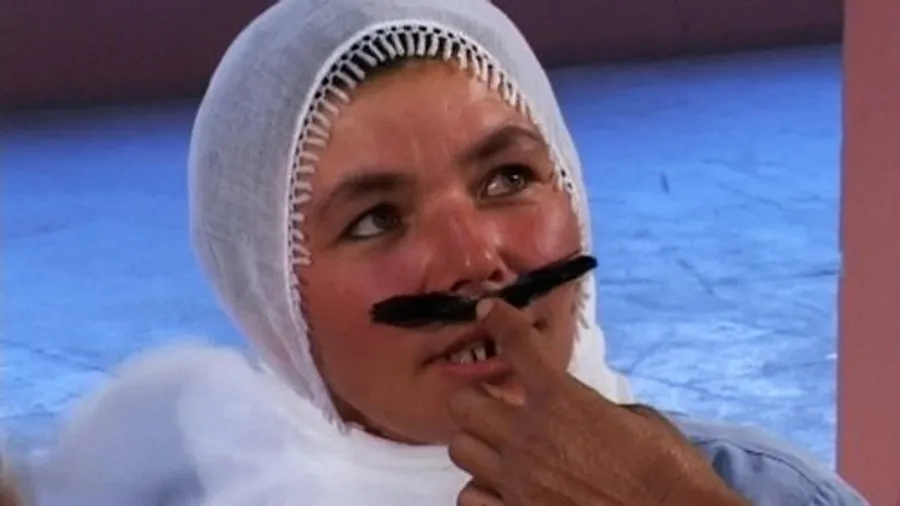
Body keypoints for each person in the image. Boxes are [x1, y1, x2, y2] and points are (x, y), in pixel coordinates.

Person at [13, 0, 866, 505]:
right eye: (376, 220)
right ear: (273, 297)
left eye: (507, 178)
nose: (474, 261)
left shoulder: (762, 493)